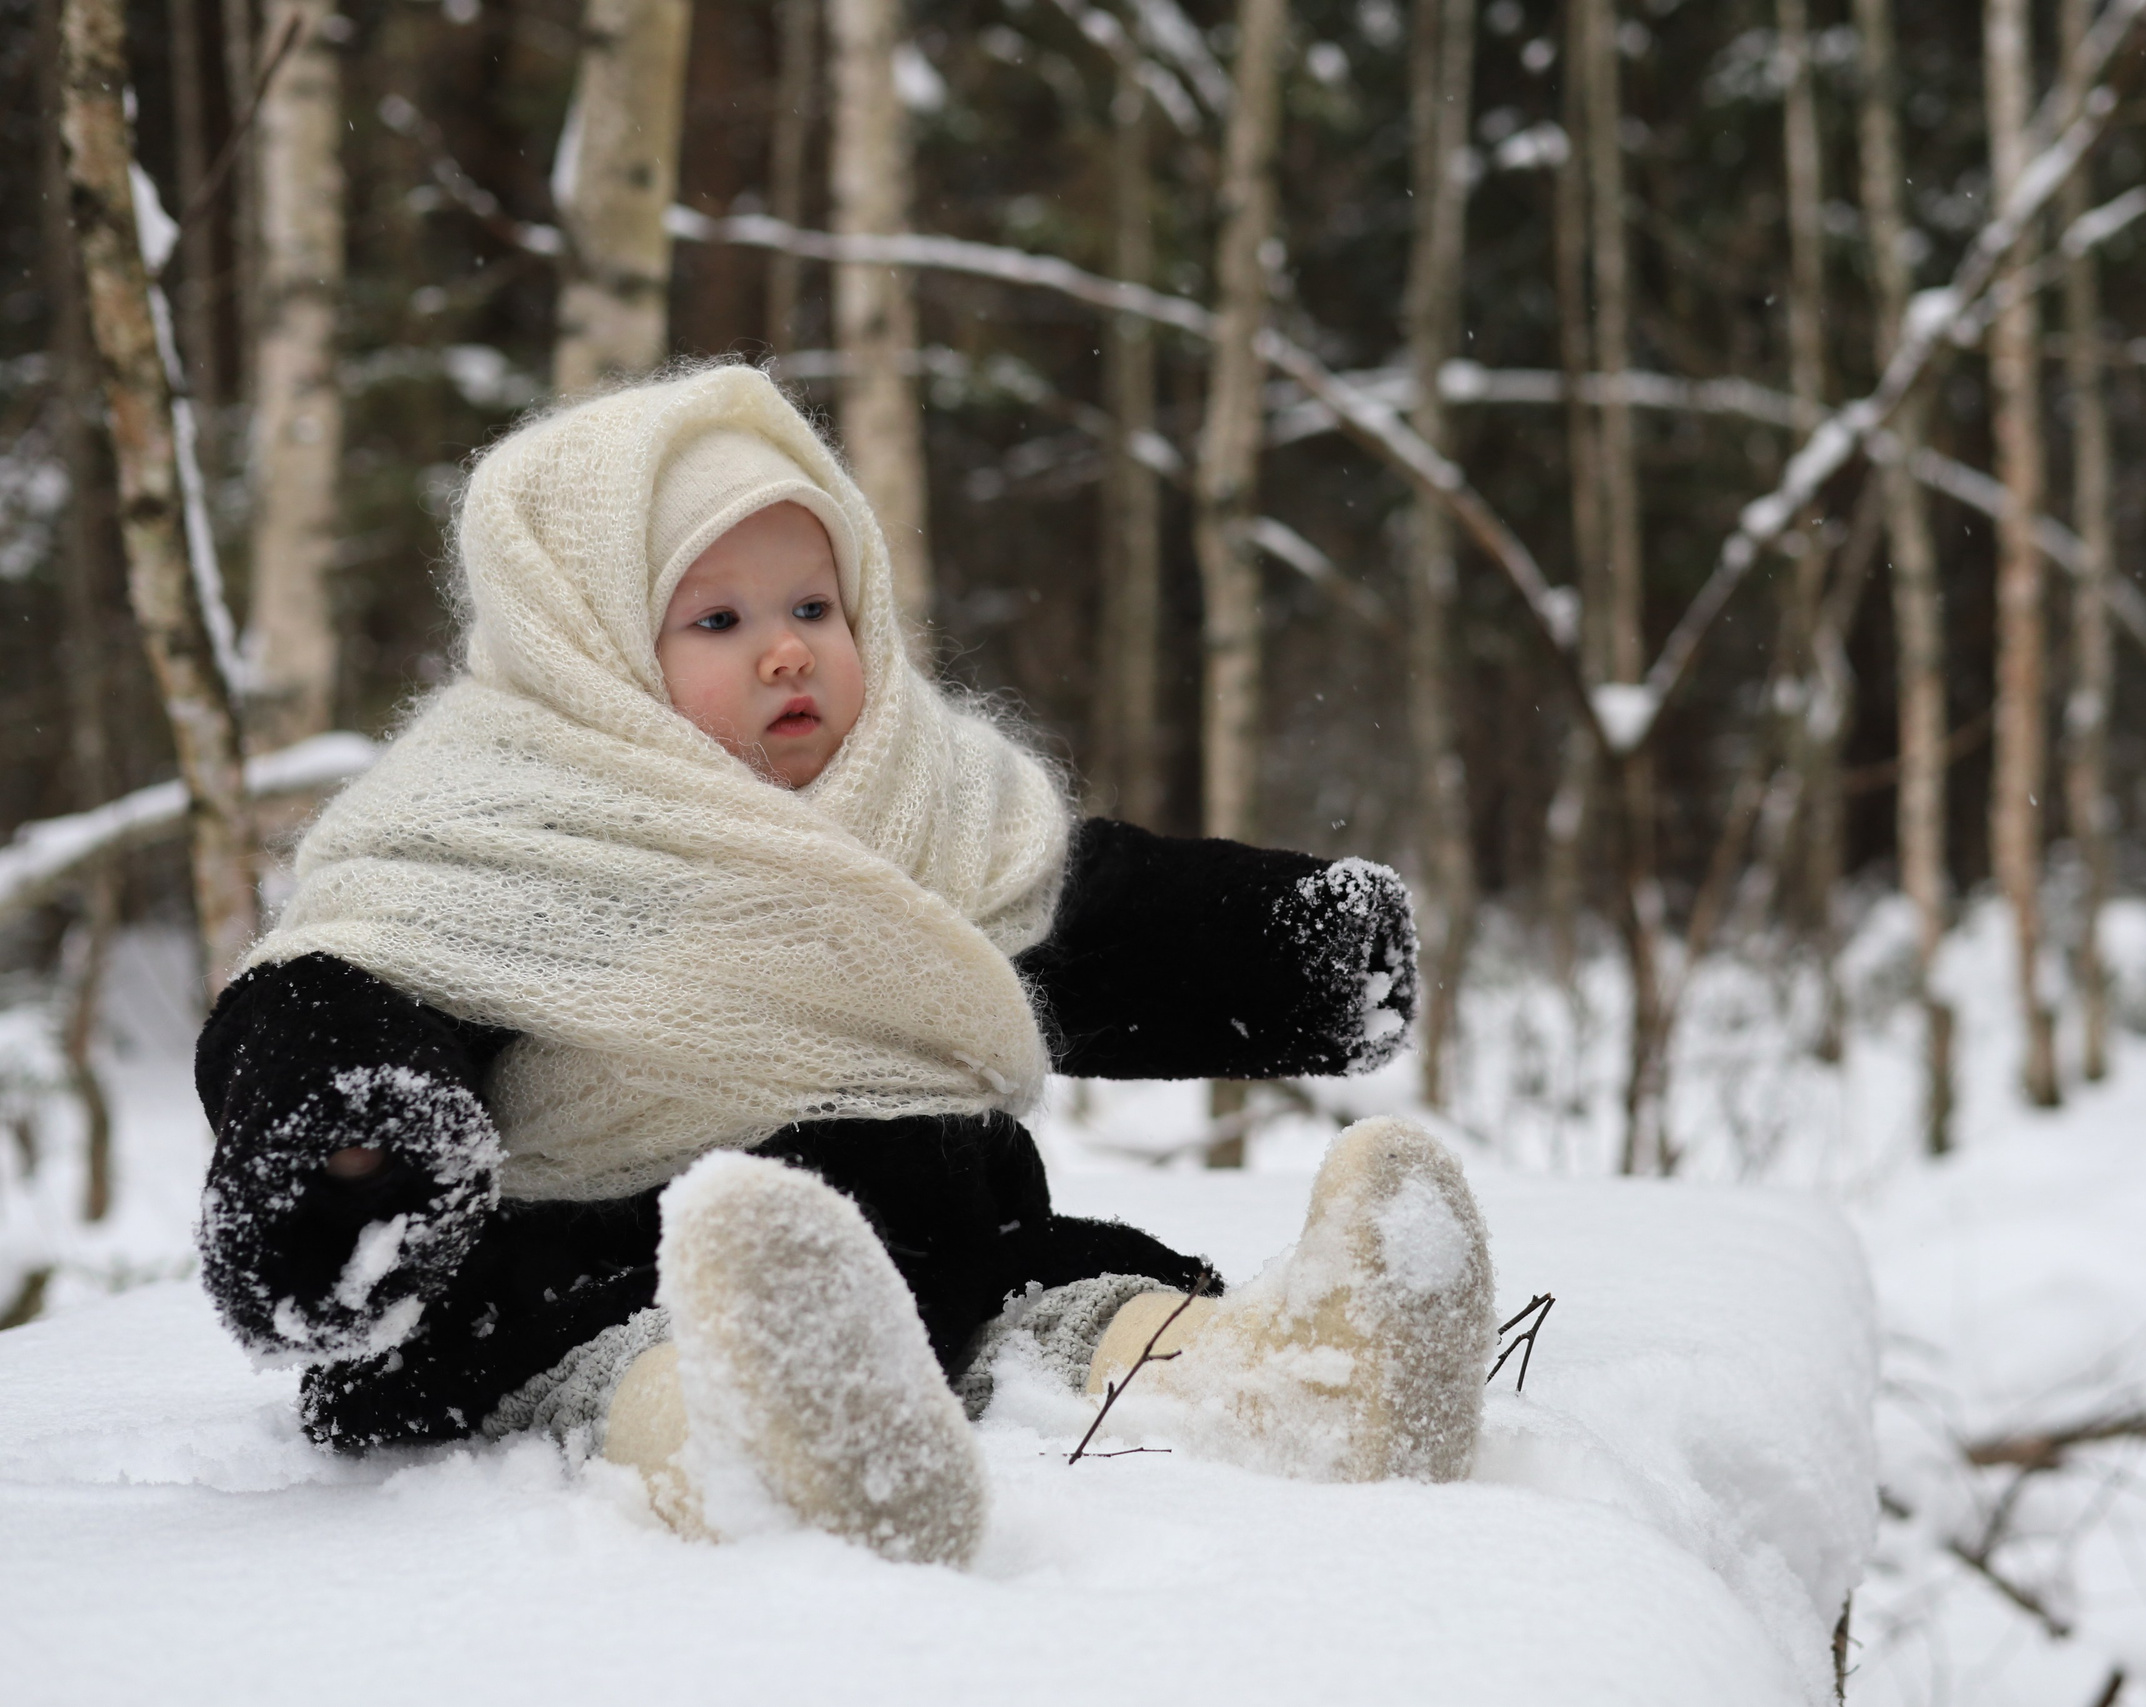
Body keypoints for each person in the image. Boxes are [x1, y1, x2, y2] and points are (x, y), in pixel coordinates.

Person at [193, 363, 1493, 1563]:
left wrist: (1306, 951)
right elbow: (333, 991)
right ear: (586, 644)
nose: (788, 649)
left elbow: (1093, 922)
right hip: (593, 1271)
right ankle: (754, 1447)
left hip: (940, 1247)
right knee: (636, 1363)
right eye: (718, 619)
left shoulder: (926, 805)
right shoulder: (494, 826)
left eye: (815, 606)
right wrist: (353, 1145)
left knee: (1071, 1298)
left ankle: (1294, 1379)